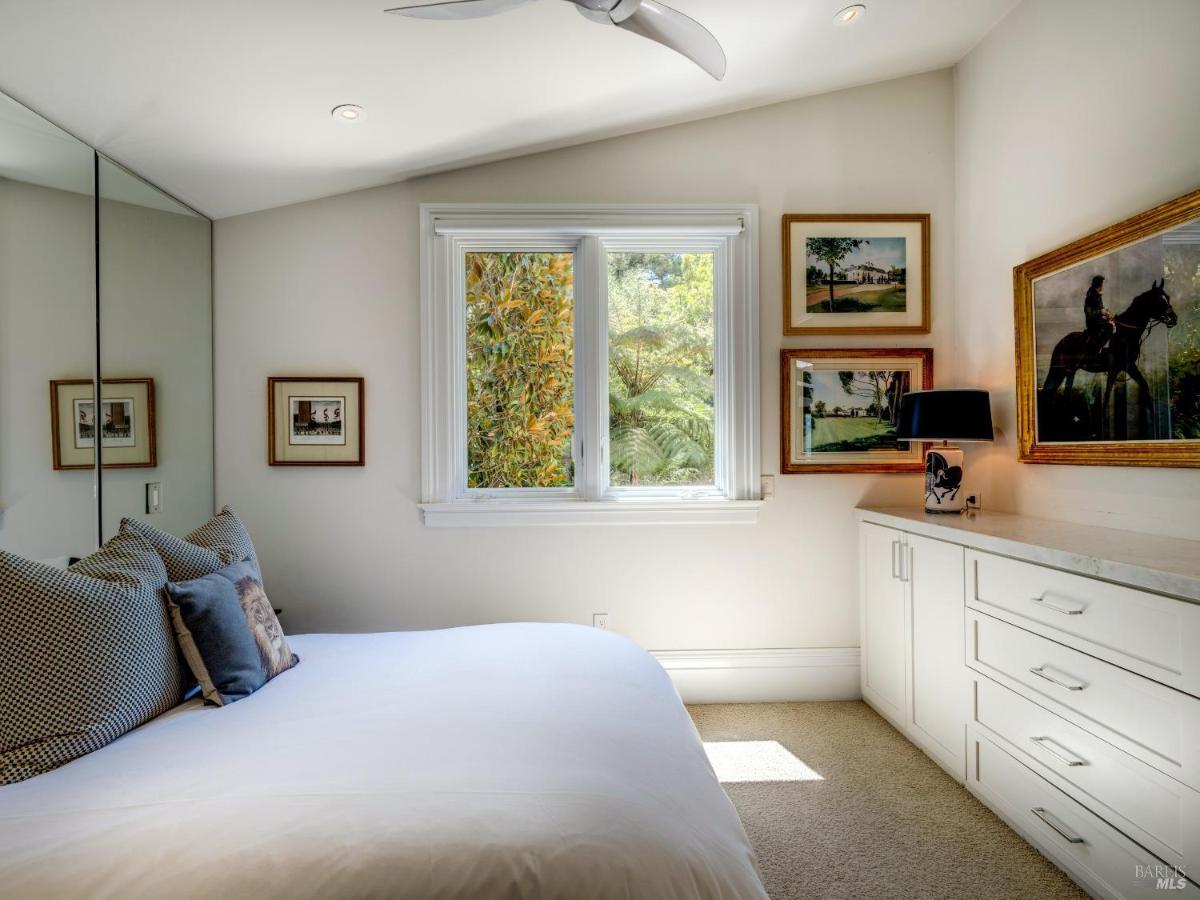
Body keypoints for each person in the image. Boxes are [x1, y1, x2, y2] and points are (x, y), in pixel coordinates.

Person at [1083, 275, 1114, 355]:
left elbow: (1101, 308)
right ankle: (1097, 348)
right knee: (1110, 327)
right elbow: (1088, 312)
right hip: (1092, 322)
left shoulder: (1097, 295)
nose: (1102, 285)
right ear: (1098, 284)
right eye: (1101, 283)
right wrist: (1101, 312)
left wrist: (1107, 314)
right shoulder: (1091, 295)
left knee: (1113, 323)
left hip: (1098, 320)